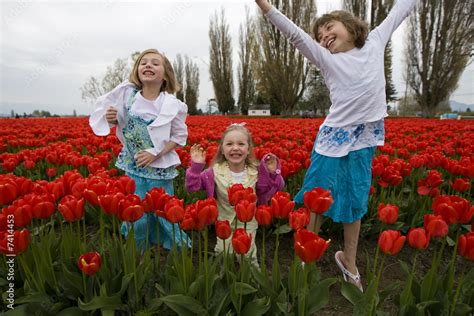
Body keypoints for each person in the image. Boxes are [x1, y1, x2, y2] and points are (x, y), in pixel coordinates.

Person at [255, 0, 416, 291]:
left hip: (363, 141)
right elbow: (294, 34)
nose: (323, 35)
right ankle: (308, 256)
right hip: (332, 141)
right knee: (317, 199)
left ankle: (349, 262)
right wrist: (264, 6)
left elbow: (399, 11)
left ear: (351, 27)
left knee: (354, 202)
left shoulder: (375, 42)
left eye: (329, 27)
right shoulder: (327, 59)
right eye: (319, 35)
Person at [89, 48, 189, 252]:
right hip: (133, 166)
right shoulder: (128, 99)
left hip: (159, 169)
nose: (148, 65)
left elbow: (180, 137)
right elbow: (121, 124)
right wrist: (112, 119)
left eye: (155, 62)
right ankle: (138, 251)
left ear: (165, 75)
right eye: (143, 62)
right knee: (137, 210)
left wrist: (157, 152)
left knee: (164, 211)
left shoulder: (171, 104)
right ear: (137, 71)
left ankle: (177, 250)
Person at [185, 123, 284, 265]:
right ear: (222, 150)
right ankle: (225, 281)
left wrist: (273, 173)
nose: (235, 148)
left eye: (241, 144)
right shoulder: (214, 172)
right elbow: (191, 187)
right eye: (229, 144)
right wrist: (196, 167)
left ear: (248, 149)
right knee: (223, 254)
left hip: (248, 223)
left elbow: (276, 187)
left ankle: (252, 282)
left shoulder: (256, 172)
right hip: (223, 222)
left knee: (247, 256)